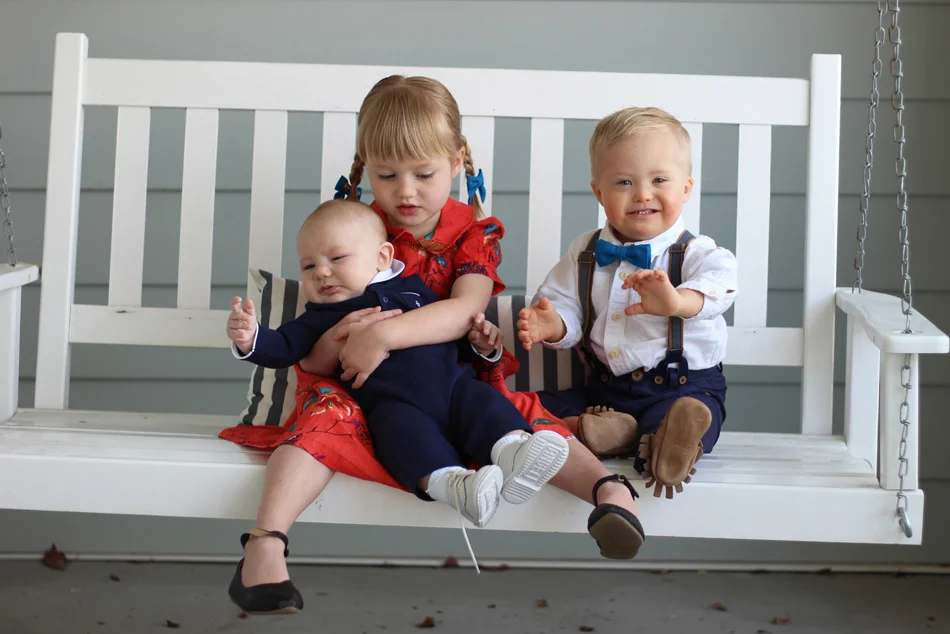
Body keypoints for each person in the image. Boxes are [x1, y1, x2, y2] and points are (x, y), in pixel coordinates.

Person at [219, 76, 645, 616]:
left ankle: (611, 495)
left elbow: (467, 307)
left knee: (520, 414)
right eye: (386, 174)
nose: (405, 193)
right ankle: (264, 548)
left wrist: (383, 334)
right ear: (364, 166)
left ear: (458, 160)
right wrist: (338, 345)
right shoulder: (355, 227)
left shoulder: (470, 233)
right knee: (323, 421)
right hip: (360, 387)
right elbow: (312, 349)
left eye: (424, 174)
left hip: (449, 374)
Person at [228, 199, 571, 527]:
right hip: (392, 405)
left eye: (336, 258)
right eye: (308, 266)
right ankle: (453, 485)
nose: (322, 272)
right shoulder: (320, 317)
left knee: (485, 403)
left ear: (381, 257)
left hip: (453, 388)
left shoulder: (414, 290)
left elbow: (447, 333)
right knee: (400, 436)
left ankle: (514, 453)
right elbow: (283, 346)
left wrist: (481, 344)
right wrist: (250, 338)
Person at [517, 106, 738, 499]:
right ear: (599, 192)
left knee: (687, 415)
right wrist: (553, 324)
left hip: (682, 385)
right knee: (532, 407)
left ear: (686, 188)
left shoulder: (696, 252)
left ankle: (669, 442)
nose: (642, 194)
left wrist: (677, 300)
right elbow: (564, 302)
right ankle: (609, 430)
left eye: (659, 180)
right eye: (623, 182)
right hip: (605, 391)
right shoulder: (585, 251)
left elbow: (721, 285)